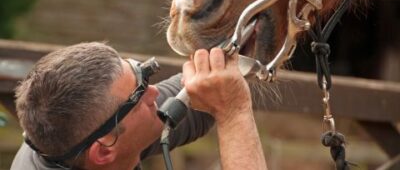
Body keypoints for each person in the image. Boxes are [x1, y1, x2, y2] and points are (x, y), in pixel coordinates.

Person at [11, 42, 267, 170]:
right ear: (104, 151)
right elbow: (227, 104)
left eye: (143, 76)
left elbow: (203, 95)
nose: (154, 92)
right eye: (137, 97)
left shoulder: (67, 139)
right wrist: (234, 114)